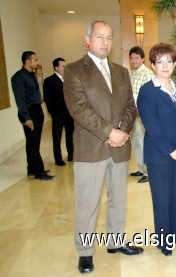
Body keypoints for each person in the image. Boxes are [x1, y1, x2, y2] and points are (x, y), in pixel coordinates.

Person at [64, 20, 143, 274]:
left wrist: (122, 132)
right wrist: (111, 132)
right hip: (91, 148)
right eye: (100, 36)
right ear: (88, 39)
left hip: (119, 149)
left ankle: (115, 242)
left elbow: (130, 106)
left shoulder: (121, 71)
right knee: (88, 204)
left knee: (118, 199)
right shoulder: (75, 70)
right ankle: (85, 252)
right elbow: (78, 109)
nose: (105, 42)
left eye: (109, 37)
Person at [137, 43, 176, 256]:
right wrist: (172, 151)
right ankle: (165, 241)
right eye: (159, 61)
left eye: (169, 60)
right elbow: (152, 127)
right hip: (159, 155)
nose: (165, 65)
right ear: (152, 65)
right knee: (162, 198)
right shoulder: (147, 91)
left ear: (175, 63)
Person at [11, 51, 54, 180]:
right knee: (33, 143)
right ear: (28, 61)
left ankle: (32, 169)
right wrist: (27, 117)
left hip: (36, 111)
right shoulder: (18, 77)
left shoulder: (31, 75)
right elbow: (20, 99)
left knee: (33, 143)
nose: (37, 62)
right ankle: (39, 173)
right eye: (35, 60)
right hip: (29, 113)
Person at [129, 46, 155, 183]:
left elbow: (149, 95)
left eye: (136, 58)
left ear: (143, 59)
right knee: (136, 142)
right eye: (132, 58)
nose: (134, 60)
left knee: (143, 141)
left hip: (142, 113)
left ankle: (148, 172)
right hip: (132, 113)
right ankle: (140, 167)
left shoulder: (147, 73)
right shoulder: (132, 73)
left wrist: (142, 109)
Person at [43, 58, 74, 166]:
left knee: (70, 135)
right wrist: (53, 113)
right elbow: (48, 99)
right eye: (62, 66)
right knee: (57, 136)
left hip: (69, 113)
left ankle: (71, 155)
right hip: (58, 114)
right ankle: (58, 158)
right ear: (56, 68)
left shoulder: (68, 79)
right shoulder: (49, 81)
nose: (65, 68)